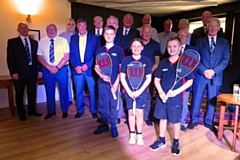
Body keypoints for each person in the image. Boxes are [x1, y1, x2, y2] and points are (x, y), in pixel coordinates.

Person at [150, 37, 193, 156]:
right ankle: (161, 139)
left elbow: (189, 82)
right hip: (162, 97)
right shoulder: (163, 62)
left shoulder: (184, 63)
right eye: (169, 46)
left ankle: (176, 142)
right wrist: (161, 93)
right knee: (162, 118)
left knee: (175, 121)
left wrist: (176, 92)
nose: (172, 49)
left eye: (175, 46)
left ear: (180, 48)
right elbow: (157, 79)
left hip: (175, 98)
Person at [187, 18, 230, 133]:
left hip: (215, 76)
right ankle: (193, 120)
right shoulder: (200, 41)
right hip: (201, 75)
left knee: (212, 100)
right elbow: (196, 58)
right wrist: (204, 71)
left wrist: (213, 71)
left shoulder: (224, 42)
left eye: (215, 26)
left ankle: (209, 121)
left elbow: (225, 60)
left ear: (219, 28)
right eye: (210, 26)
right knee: (196, 98)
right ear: (206, 27)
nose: (212, 29)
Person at [7, 22, 42, 121]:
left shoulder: (34, 43)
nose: (24, 29)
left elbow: (38, 58)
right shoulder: (12, 42)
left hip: (32, 72)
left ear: (28, 29)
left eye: (25, 28)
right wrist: (13, 72)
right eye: (21, 28)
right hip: (19, 72)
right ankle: (21, 112)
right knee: (19, 93)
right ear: (18, 30)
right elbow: (10, 59)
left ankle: (32, 110)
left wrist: (39, 70)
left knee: (32, 92)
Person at [93, 25, 124, 138]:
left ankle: (114, 125)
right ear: (103, 35)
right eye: (107, 34)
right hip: (102, 84)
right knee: (103, 105)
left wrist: (116, 83)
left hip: (114, 84)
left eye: (111, 34)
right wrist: (101, 75)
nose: (109, 36)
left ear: (114, 35)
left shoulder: (119, 50)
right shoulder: (99, 51)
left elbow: (122, 70)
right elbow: (96, 67)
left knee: (114, 105)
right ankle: (105, 124)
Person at [120, 38, 151, 145]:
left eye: (138, 46)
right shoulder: (126, 60)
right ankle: (132, 134)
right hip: (129, 92)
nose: (136, 48)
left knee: (139, 113)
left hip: (141, 93)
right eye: (134, 46)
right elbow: (122, 77)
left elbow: (148, 78)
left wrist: (139, 92)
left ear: (142, 48)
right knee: (131, 113)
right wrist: (129, 91)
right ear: (130, 47)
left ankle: (139, 134)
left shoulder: (146, 61)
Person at [37, 24, 69, 119]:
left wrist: (57, 68)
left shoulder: (63, 41)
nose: (51, 31)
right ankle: (51, 111)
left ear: (56, 30)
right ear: (46, 30)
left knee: (64, 91)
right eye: (49, 29)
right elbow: (39, 57)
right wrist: (48, 67)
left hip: (62, 69)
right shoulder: (42, 41)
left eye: (53, 29)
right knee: (49, 91)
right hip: (47, 70)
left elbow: (66, 56)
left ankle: (65, 110)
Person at [70, 19, 99, 119]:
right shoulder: (73, 38)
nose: (81, 28)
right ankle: (80, 110)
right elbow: (71, 54)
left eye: (83, 25)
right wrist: (76, 66)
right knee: (78, 91)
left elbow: (95, 54)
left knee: (92, 91)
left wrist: (88, 64)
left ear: (86, 26)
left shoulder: (93, 38)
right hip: (77, 69)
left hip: (89, 69)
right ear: (77, 27)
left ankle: (94, 110)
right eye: (79, 26)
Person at [177, 29, 197, 131]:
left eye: (183, 36)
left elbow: (195, 65)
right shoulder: (173, 47)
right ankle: (170, 120)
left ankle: (181, 122)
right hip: (173, 81)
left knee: (184, 102)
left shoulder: (192, 50)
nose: (181, 38)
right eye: (179, 36)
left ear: (187, 38)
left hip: (186, 80)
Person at [141, 24, 160, 126]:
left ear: (151, 33)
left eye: (149, 32)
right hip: (136, 76)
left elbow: (157, 62)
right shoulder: (137, 43)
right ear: (141, 33)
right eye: (145, 32)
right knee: (136, 96)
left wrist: (149, 73)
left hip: (149, 76)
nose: (147, 34)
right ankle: (134, 116)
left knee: (148, 97)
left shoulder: (155, 45)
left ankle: (146, 117)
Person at [59, 18, 76, 104]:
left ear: (75, 25)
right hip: (66, 62)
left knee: (78, 80)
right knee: (67, 80)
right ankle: (69, 99)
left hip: (76, 61)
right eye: (69, 24)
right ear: (66, 25)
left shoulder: (78, 34)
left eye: (73, 24)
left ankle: (79, 97)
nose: (71, 26)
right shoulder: (61, 36)